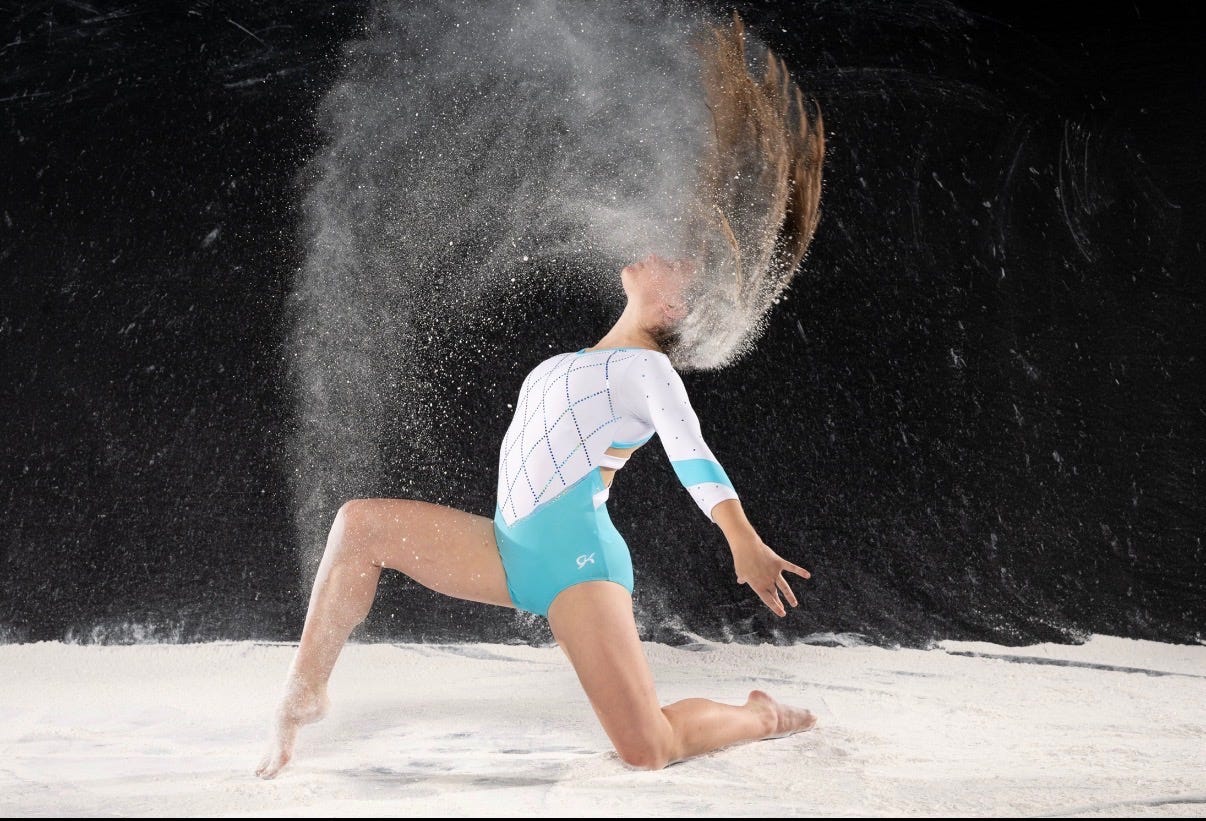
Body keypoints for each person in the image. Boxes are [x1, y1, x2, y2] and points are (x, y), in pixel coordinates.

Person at [255, 252, 816, 779]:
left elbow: (694, 455)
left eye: (677, 264)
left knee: (647, 749)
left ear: (673, 307)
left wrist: (741, 537)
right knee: (359, 526)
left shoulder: (650, 369)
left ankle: (762, 716)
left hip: (579, 563)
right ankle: (305, 692)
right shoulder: (559, 364)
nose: (660, 251)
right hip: (508, 549)